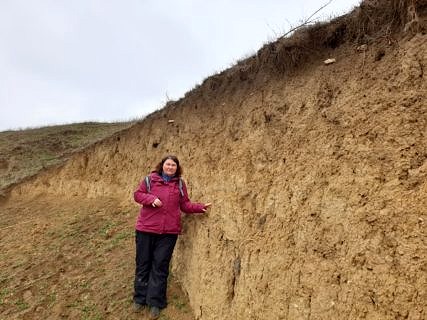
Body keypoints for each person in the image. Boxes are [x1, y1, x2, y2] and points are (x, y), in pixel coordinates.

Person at [132, 155, 211, 319]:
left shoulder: (180, 184)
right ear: (162, 166)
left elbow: (185, 205)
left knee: (160, 266)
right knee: (143, 263)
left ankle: (155, 302)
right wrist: (151, 198)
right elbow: (138, 195)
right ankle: (140, 298)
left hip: (168, 233)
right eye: (168, 164)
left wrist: (199, 207)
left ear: (177, 168)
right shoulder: (150, 180)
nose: (170, 167)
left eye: (173, 165)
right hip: (146, 229)